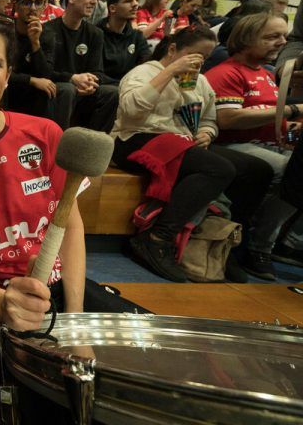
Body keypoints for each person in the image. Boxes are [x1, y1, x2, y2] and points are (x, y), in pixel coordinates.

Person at [0, 13, 144, 425]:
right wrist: (1, 304)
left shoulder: (46, 134)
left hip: (57, 291)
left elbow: (69, 225)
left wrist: (75, 323)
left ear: (8, 74)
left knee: (125, 390)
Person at [112, 25, 274, 282]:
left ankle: (224, 240)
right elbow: (131, 112)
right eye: (194, 55)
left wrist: (208, 133)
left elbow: (210, 119)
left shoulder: (201, 81)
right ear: (174, 49)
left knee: (258, 169)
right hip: (136, 138)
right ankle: (157, 237)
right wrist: (170, 71)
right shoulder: (143, 72)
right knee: (218, 168)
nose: (199, 63)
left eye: (205, 58)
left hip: (182, 141)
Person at [205, 12, 303, 279]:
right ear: (247, 38)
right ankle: (258, 247)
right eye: (272, 36)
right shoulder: (226, 73)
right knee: (292, 172)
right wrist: (290, 111)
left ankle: (288, 242)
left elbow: (269, 114)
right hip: (233, 145)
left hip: (268, 144)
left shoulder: (267, 74)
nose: (282, 42)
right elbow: (227, 119)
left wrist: (291, 125)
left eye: (284, 35)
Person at [45, 0, 119, 132]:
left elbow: (98, 71)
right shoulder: (48, 30)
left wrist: (90, 82)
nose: (94, 2)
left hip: (83, 88)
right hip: (59, 87)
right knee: (67, 90)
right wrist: (72, 79)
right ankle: (58, 142)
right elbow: (45, 71)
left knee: (112, 92)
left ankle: (94, 143)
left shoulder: (95, 33)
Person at [98, 0, 151, 84]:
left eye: (137, 0)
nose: (136, 4)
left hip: (130, 86)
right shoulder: (96, 34)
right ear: (113, 8)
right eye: (128, 1)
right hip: (103, 88)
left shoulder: (137, 36)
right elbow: (96, 73)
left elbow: (147, 65)